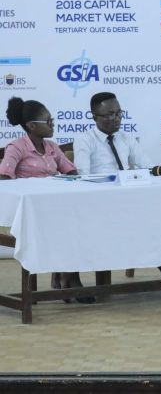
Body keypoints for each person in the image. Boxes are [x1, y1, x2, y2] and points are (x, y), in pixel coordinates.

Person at [74, 92, 161, 299]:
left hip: (133, 199)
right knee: (149, 226)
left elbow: (146, 165)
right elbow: (83, 175)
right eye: (109, 115)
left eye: (118, 113)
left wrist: (154, 172)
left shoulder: (125, 137)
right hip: (104, 205)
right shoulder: (85, 140)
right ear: (94, 116)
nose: (116, 119)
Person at [0, 97, 92, 303]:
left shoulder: (52, 147)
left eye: (52, 120)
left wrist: (70, 178)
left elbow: (71, 171)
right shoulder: (16, 147)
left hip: (54, 207)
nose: (52, 124)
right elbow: (4, 178)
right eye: (48, 121)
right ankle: (70, 278)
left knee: (76, 222)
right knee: (66, 226)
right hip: (28, 212)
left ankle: (67, 276)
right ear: (31, 126)